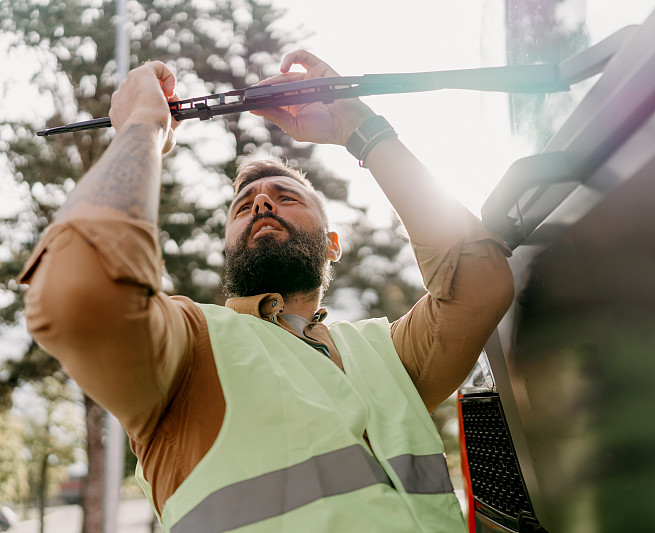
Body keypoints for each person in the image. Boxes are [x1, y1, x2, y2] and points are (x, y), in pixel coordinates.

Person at [20, 51, 513, 532]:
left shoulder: (386, 351)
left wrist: (357, 128)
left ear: (332, 245)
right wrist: (142, 126)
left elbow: (479, 282)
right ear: (227, 248)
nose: (260, 202)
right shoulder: (189, 345)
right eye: (242, 208)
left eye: (287, 197)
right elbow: (78, 291)